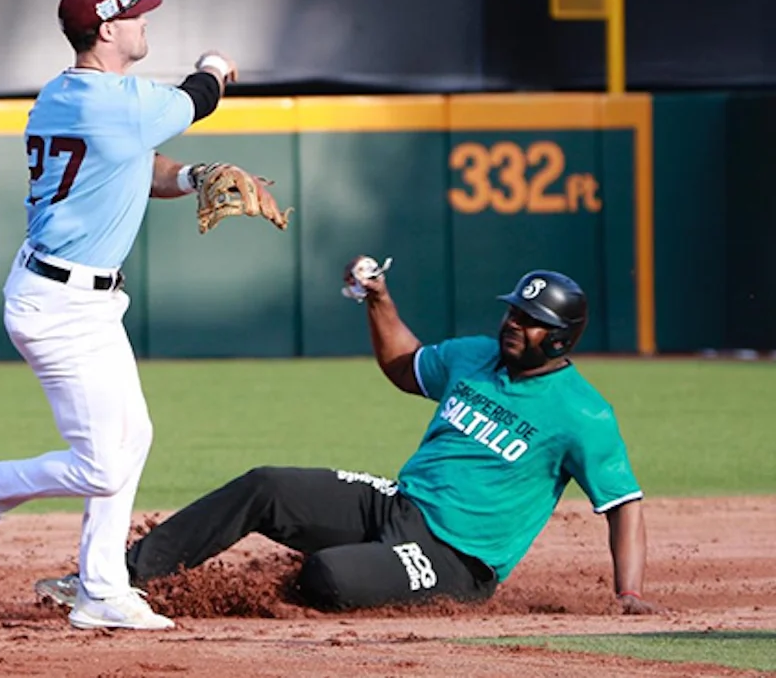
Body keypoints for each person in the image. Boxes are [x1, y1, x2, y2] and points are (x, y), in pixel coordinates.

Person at [35, 262, 665, 616]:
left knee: (329, 579)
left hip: (457, 560)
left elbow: (621, 504)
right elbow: (404, 365)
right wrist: (379, 299)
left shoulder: (584, 414)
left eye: (531, 323)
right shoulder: (476, 357)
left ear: (560, 338)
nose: (513, 325)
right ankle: (112, 576)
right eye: (514, 313)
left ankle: (259, 596)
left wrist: (629, 594)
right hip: (395, 503)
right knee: (266, 486)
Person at [0, 0, 270, 631]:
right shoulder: (115, 100)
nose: (144, 21)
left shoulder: (73, 96)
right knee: (103, 463)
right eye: (135, 15)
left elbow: (132, 164)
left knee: (131, 438)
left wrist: (191, 175)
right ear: (105, 30)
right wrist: (214, 65)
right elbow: (200, 96)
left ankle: (100, 587)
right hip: (58, 303)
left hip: (81, 298)